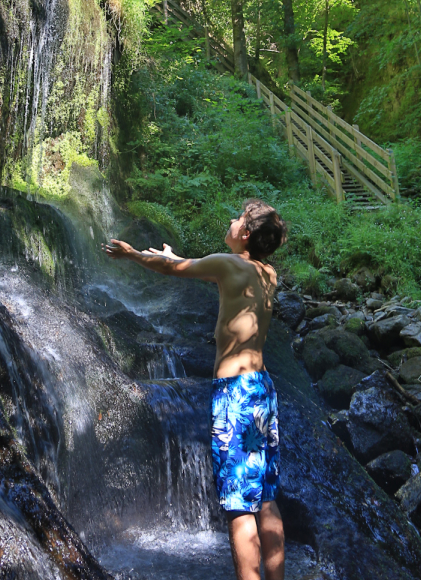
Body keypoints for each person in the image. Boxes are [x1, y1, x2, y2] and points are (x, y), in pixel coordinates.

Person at [103, 199, 287, 580]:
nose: (232, 221)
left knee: (240, 506)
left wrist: (133, 255)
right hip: (263, 391)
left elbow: (174, 270)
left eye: (238, 219)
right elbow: (206, 271)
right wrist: (176, 256)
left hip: (235, 393)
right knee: (266, 499)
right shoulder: (266, 274)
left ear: (246, 233)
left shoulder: (228, 263)